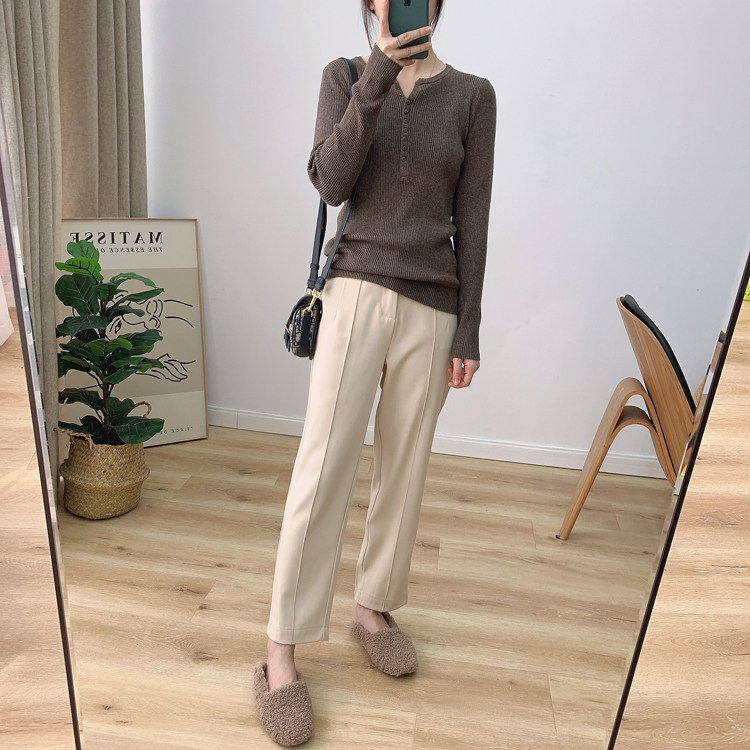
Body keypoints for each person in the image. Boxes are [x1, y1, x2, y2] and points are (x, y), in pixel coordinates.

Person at [254, 0, 496, 745]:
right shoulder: (346, 76)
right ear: (370, 4)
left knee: (404, 468)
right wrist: (379, 75)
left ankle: (372, 607)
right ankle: (280, 652)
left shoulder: (474, 96)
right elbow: (330, 182)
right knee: (322, 466)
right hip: (355, 289)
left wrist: (469, 327)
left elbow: (474, 218)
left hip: (434, 304)